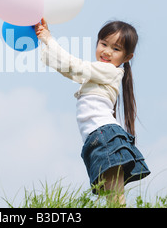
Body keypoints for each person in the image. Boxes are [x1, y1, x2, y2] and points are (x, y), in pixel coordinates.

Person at [35, 18, 150, 205]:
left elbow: (75, 66)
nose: (106, 51)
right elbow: (67, 68)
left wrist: (49, 39)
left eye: (116, 49)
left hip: (104, 135)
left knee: (115, 197)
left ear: (127, 57)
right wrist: (45, 39)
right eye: (103, 44)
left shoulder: (109, 71)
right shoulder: (98, 72)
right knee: (112, 197)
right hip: (97, 138)